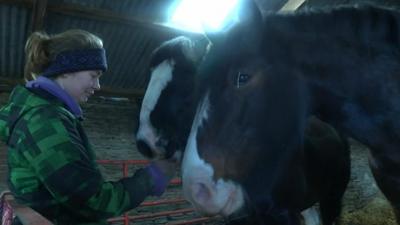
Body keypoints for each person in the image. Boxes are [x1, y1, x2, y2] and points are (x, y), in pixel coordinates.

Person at [0, 29, 177, 224]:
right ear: (66, 70)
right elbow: (92, 202)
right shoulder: (44, 120)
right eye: (94, 75)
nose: (98, 85)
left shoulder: (41, 113)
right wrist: (151, 177)